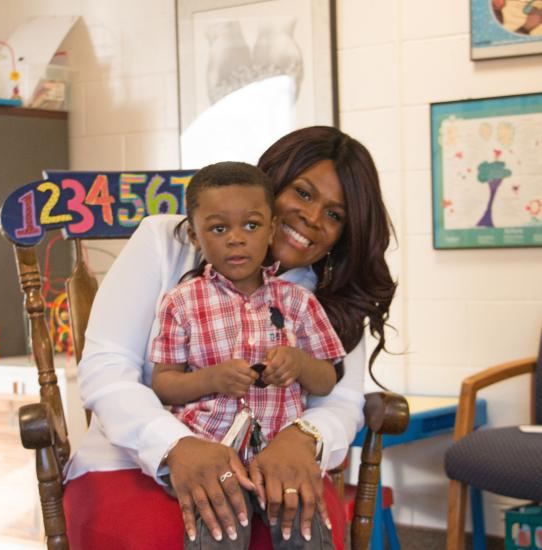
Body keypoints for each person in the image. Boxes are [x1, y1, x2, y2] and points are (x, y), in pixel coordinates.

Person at [63, 126, 397, 550]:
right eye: (304, 193)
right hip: (133, 460)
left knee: (308, 531)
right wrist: (174, 446)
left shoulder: (325, 297)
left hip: (274, 472)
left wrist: (304, 437)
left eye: (335, 215)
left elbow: (341, 400)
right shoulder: (167, 242)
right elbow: (107, 369)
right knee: (164, 535)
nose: (313, 219)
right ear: (270, 184)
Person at [150, 161, 346, 548]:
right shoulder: (181, 303)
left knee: (306, 528)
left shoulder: (297, 302)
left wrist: (300, 363)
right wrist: (211, 378)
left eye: (252, 226)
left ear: (271, 229)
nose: (236, 239)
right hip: (213, 455)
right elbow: (163, 384)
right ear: (194, 235)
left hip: (280, 454)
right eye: (219, 228)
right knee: (219, 531)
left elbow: (328, 378)